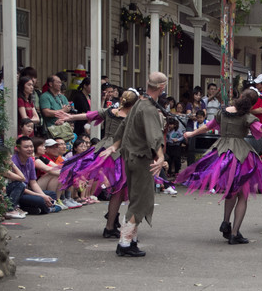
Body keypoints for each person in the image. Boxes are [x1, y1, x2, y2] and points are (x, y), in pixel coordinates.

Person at [176, 88, 262, 244]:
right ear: (253, 103)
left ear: (240, 96)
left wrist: (191, 134)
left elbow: (208, 126)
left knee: (230, 190)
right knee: (242, 195)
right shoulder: (248, 117)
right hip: (241, 154)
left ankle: (225, 222)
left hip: (221, 152)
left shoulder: (223, 112)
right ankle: (234, 233)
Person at [100, 72, 169, 257]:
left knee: (136, 199)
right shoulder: (147, 108)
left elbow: (123, 127)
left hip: (130, 157)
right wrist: (161, 156)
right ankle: (124, 243)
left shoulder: (138, 103)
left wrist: (114, 146)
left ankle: (131, 240)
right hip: (139, 159)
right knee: (140, 201)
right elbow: (154, 136)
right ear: (162, 88)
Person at [58, 90, 139, 239]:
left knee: (118, 191)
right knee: (119, 191)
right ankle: (110, 225)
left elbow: (89, 115)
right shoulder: (131, 117)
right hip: (118, 152)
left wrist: (70, 116)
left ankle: (112, 219)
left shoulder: (110, 111)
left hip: (101, 148)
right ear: (134, 104)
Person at [11, 136, 60, 215]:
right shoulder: (13, 162)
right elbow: (18, 187)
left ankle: (35, 209)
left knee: (51, 194)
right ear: (18, 149)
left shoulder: (30, 160)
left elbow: (33, 182)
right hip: (19, 194)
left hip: (29, 191)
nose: (30, 149)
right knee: (40, 200)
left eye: (31, 146)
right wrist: (42, 196)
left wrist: (44, 195)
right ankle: (47, 209)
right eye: (26, 147)